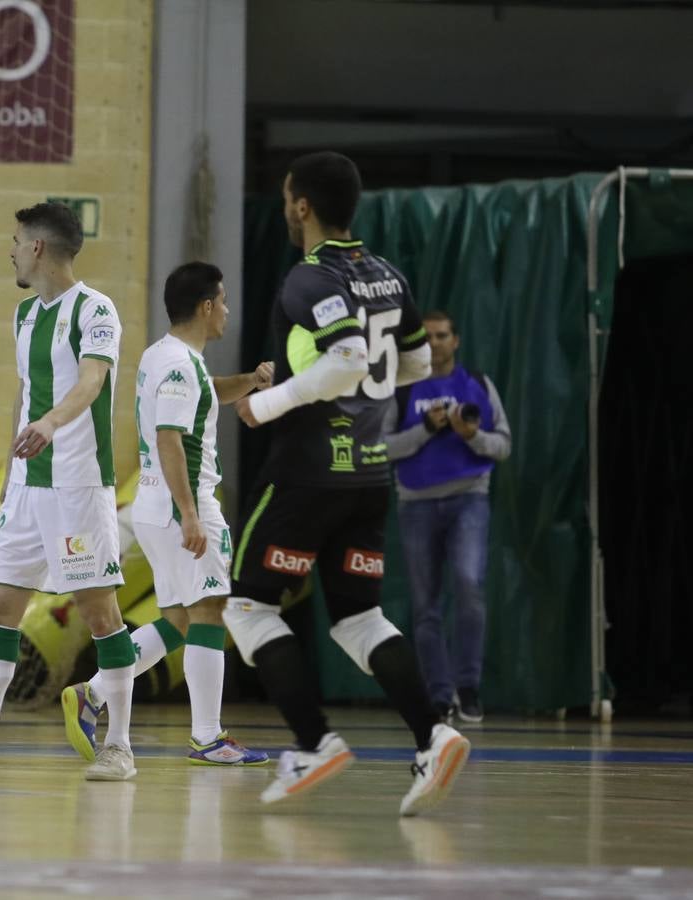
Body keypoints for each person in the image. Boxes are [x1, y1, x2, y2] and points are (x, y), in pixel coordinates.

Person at [229, 151, 470, 816]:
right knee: (360, 617)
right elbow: (418, 363)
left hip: (307, 473)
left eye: (286, 199)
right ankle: (433, 734)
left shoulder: (309, 279)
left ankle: (313, 742)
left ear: (302, 206)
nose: (284, 210)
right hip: (369, 473)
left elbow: (349, 359)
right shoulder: (388, 275)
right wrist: (362, 402)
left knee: (247, 607)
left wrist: (269, 406)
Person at [0, 202, 140, 782]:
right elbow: (23, 394)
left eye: (15, 240)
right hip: (27, 490)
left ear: (37, 248)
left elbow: (92, 381)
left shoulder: (96, 309)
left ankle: (119, 745)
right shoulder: (22, 315)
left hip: (78, 486)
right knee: (0, 608)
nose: (10, 249)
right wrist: (8, 470)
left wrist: (51, 424)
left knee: (100, 612)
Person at [61, 262, 272, 767]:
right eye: (221, 301)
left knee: (177, 620)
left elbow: (204, 397)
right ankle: (207, 736)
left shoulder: (165, 356)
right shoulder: (180, 364)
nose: (225, 310)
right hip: (184, 506)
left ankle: (92, 692)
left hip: (156, 506)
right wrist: (191, 515)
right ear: (205, 307)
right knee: (210, 612)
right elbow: (170, 437)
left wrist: (250, 382)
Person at [382, 310, 511, 724]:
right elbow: (381, 448)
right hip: (416, 502)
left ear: (455, 341)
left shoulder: (476, 383)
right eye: (429, 338)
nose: (435, 343)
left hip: (468, 498)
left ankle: (468, 688)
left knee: (470, 588)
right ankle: (440, 695)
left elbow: (503, 446)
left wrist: (472, 436)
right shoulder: (402, 390)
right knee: (425, 605)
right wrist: (426, 428)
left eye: (442, 336)